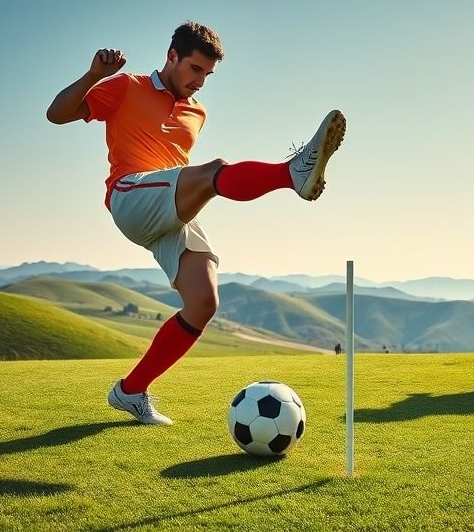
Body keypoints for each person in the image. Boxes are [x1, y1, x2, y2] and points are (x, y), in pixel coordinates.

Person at [47, 22, 346, 424]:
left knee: (203, 302)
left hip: (171, 204)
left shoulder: (197, 112)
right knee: (213, 171)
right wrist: (94, 76)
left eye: (207, 74)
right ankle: (291, 173)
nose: (200, 81)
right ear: (172, 56)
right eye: (194, 69)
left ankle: (131, 391)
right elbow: (56, 114)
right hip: (130, 195)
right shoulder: (126, 86)